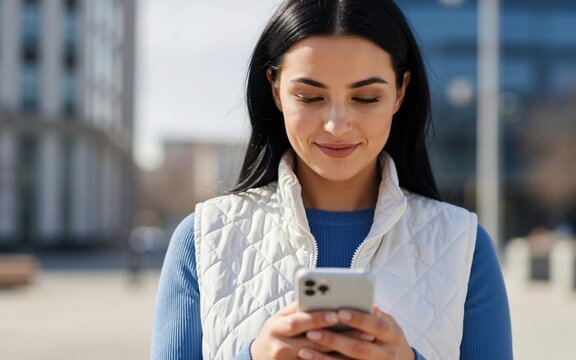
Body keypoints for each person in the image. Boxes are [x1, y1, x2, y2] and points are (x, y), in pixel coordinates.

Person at [151, 0, 512, 359]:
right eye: (310, 97)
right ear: (275, 90)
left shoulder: (463, 247)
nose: (337, 126)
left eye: (366, 98)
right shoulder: (203, 240)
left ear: (400, 91)